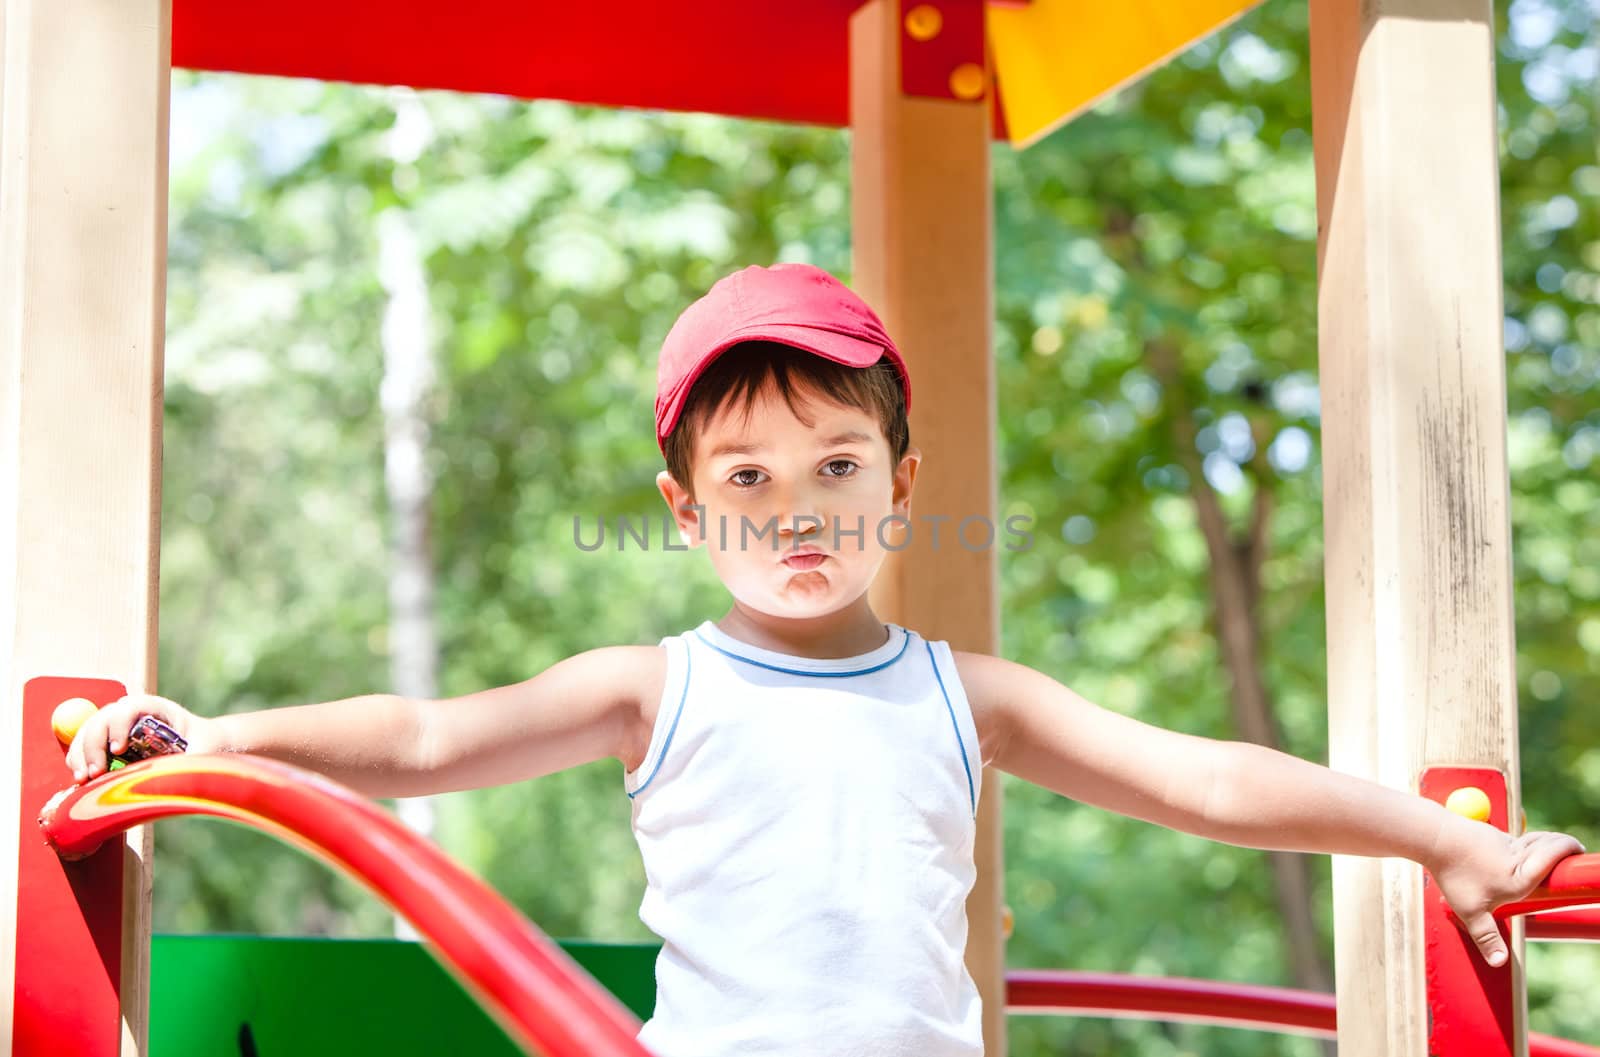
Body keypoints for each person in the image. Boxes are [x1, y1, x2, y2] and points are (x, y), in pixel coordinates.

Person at [66, 263, 1583, 1057]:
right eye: (746, 479)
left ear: (900, 486)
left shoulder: (962, 693)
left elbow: (1205, 779)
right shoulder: (654, 687)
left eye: (837, 465)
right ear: (683, 510)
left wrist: (1448, 842)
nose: (797, 510)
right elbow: (416, 738)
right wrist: (216, 729)